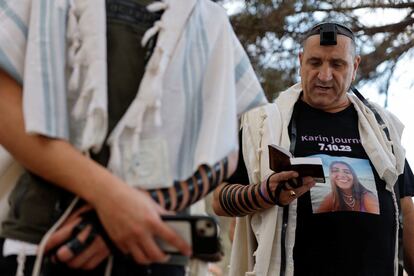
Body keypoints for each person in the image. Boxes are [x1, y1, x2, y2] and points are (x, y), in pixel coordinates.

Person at [0, 0, 267, 275]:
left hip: (155, 253)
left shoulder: (209, 19)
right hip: (48, 242)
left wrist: (138, 212)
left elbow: (223, 150)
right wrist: (110, 199)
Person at [212, 22, 414, 276]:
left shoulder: (383, 130)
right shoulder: (264, 126)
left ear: (355, 66)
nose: (324, 75)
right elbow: (220, 200)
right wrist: (264, 193)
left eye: (337, 64)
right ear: (300, 62)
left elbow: (406, 212)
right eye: (315, 62)